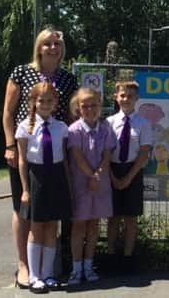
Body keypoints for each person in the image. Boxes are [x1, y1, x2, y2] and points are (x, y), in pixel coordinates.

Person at [1, 27, 78, 289]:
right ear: (39, 47)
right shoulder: (22, 72)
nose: (53, 48)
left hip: (55, 155)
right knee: (24, 210)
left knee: (50, 216)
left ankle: (46, 270)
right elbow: (8, 113)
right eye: (48, 43)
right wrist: (10, 145)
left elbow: (71, 116)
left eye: (57, 43)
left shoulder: (68, 79)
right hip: (26, 152)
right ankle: (24, 266)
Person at [15, 82, 71, 293]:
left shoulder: (61, 128)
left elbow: (64, 158)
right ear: (33, 102)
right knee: (36, 227)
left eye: (49, 101)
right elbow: (22, 160)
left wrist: (68, 185)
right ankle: (34, 275)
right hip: (36, 177)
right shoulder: (24, 127)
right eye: (41, 100)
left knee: (51, 226)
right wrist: (25, 189)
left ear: (55, 103)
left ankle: (48, 274)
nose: (45, 104)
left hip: (56, 177)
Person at [66, 88, 115, 285]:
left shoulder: (106, 129)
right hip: (81, 184)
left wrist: (98, 175)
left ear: (99, 106)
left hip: (100, 184)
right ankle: (76, 269)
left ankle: (88, 265)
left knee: (94, 224)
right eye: (84, 106)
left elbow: (107, 155)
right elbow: (77, 155)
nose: (89, 109)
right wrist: (90, 175)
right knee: (79, 225)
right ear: (78, 108)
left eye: (93, 105)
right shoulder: (74, 130)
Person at [106, 81, 153, 272]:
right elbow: (105, 153)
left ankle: (128, 257)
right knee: (113, 217)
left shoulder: (143, 124)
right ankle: (110, 255)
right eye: (122, 95)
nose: (126, 99)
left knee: (131, 217)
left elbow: (143, 153)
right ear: (116, 97)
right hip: (113, 171)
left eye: (130, 96)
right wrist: (111, 176)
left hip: (133, 171)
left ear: (137, 99)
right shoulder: (109, 123)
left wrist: (128, 178)